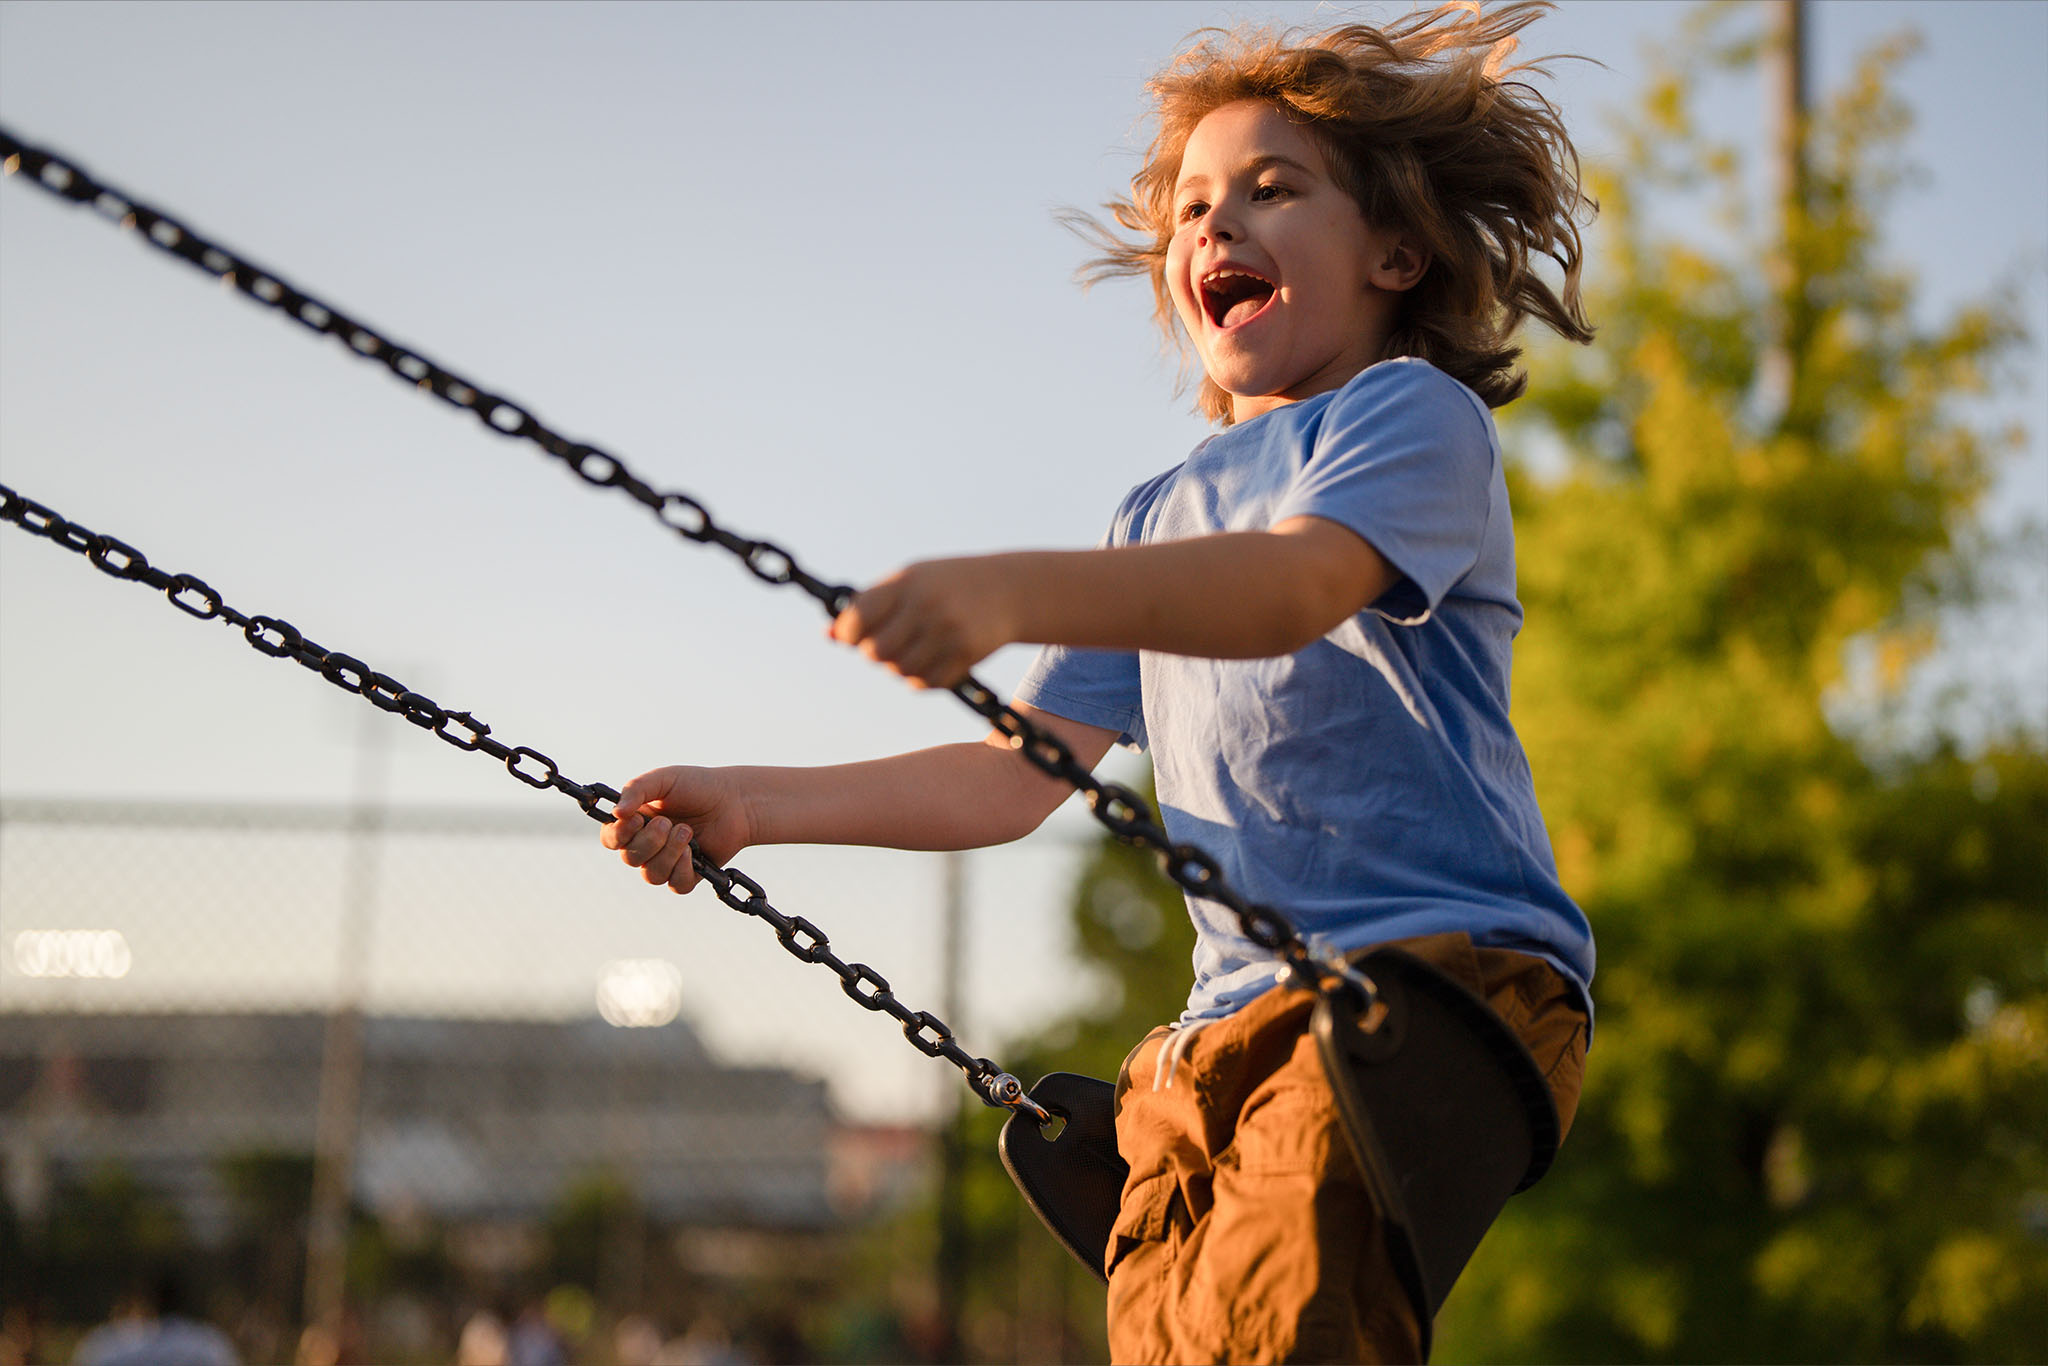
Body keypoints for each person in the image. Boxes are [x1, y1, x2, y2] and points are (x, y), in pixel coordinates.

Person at [603, 4, 1595, 1360]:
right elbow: (1017, 771)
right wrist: (751, 803)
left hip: (1432, 988)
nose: (1215, 228)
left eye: (1271, 190)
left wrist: (1014, 587)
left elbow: (1290, 590)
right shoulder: (1156, 515)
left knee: (1280, 1318)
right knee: (1169, 1325)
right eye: (1193, 207)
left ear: (1395, 251)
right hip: (1227, 1028)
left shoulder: (1407, 417)